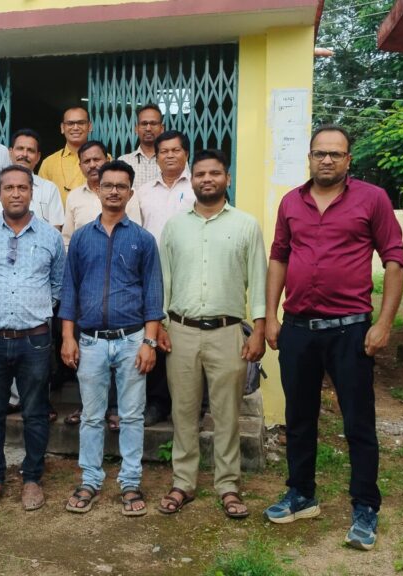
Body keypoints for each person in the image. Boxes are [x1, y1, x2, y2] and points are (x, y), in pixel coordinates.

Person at [263, 125, 403, 552]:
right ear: (309, 157)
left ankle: (365, 506)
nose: (326, 160)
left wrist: (384, 324)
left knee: (357, 422)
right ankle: (301, 494)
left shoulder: (372, 199)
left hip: (350, 330)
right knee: (299, 418)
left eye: (335, 154)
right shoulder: (291, 202)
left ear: (348, 160)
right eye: (319, 153)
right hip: (298, 329)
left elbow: (394, 260)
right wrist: (270, 316)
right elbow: (279, 258)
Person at [156, 149, 266, 519]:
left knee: (227, 413)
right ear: (192, 179)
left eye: (214, 173)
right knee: (183, 411)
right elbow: (163, 281)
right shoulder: (175, 227)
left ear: (226, 179)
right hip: (181, 332)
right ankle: (183, 482)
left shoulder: (246, 225)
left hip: (227, 332)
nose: (207, 179)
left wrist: (258, 330)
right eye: (200, 173)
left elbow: (259, 280)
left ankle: (228, 485)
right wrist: (162, 325)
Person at [59, 160, 164, 517]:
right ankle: (90, 479)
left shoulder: (143, 240)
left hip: (132, 339)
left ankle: (130, 482)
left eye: (121, 186)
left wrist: (149, 342)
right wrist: (68, 336)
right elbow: (69, 290)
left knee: (132, 416)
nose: (114, 191)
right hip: (90, 342)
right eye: (108, 185)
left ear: (130, 193)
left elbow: (153, 295)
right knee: (92, 416)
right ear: (98, 190)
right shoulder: (81, 238)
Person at [0, 165, 65, 512]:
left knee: (35, 412)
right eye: (9, 188)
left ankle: (32, 478)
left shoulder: (50, 237)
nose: (16, 193)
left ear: (32, 192)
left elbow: (57, 285)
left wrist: (32, 311)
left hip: (34, 340)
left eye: (22, 187)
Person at [59, 141, 142, 427]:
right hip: (88, 282)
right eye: (87, 160)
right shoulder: (75, 198)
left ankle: (115, 409)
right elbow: (68, 239)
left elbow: (134, 234)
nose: (93, 164)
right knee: (88, 356)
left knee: (123, 354)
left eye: (97, 159)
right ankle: (89, 407)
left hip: (123, 286)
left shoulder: (128, 200)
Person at [134, 129, 195, 426]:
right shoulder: (142, 192)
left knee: (186, 336)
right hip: (152, 274)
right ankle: (157, 402)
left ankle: (191, 402)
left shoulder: (197, 189)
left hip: (189, 274)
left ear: (186, 154)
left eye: (175, 150)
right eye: (164, 151)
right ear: (156, 157)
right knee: (155, 330)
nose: (169, 155)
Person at [0, 128, 65, 229]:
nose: (24, 154)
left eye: (30, 150)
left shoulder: (49, 189)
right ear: (10, 152)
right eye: (20, 149)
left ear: (38, 157)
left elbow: (55, 229)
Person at [38, 106, 94, 203]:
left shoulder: (103, 159)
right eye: (70, 123)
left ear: (89, 126)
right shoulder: (48, 163)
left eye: (81, 123)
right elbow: (41, 198)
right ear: (62, 128)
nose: (75, 127)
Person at [117, 104, 164, 188]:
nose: (148, 128)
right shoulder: (123, 161)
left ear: (162, 128)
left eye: (153, 123)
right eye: (144, 124)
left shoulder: (173, 160)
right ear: (136, 129)